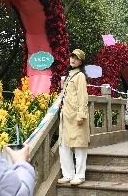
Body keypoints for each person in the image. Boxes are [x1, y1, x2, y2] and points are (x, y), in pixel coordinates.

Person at [57, 49, 90, 186]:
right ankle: (68, 174)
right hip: (66, 116)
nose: (73, 60)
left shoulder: (80, 76)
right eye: (72, 57)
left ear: (81, 62)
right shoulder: (69, 76)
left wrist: (81, 114)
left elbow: (83, 97)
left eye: (76, 58)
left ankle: (80, 175)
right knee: (64, 145)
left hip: (76, 116)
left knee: (79, 146)